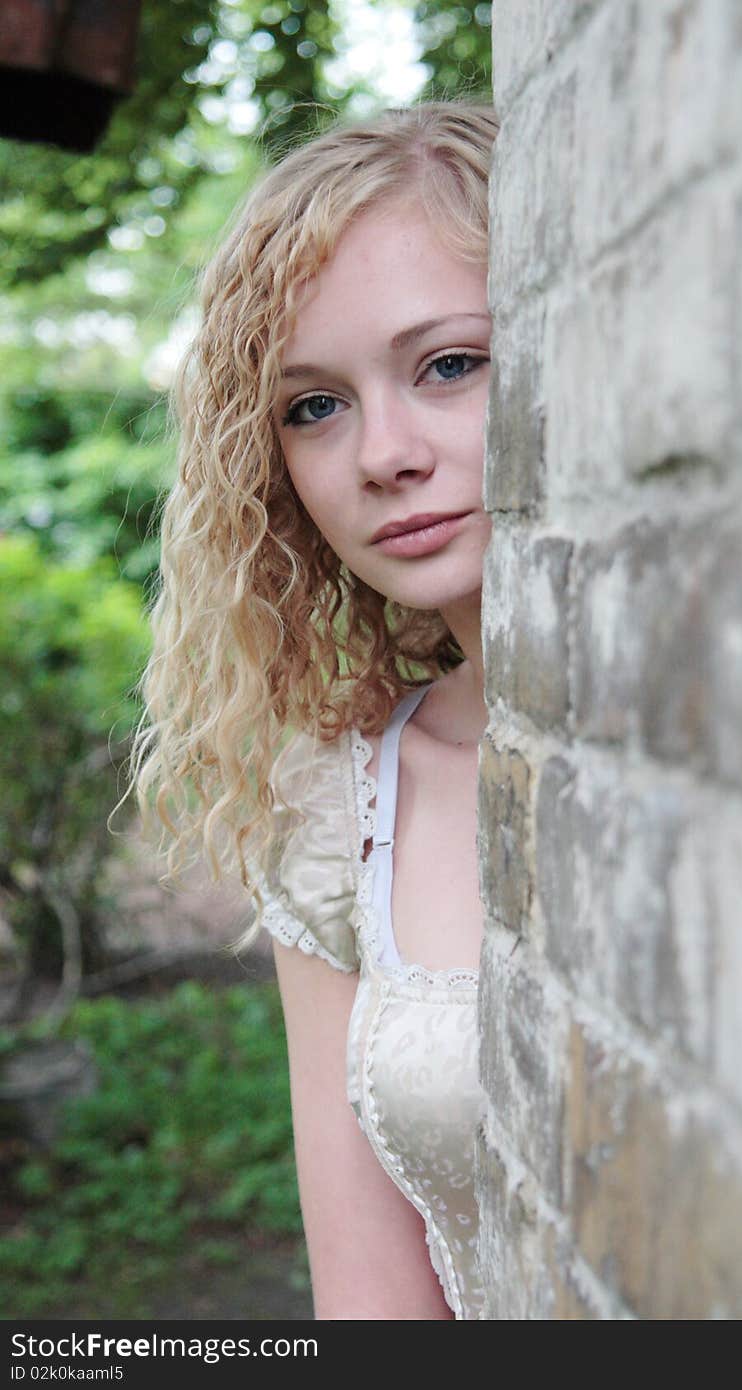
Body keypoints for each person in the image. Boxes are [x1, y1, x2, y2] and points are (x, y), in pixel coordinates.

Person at [126, 98, 498, 1320]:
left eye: (450, 364)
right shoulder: (338, 811)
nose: (382, 452)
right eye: (313, 405)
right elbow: (374, 1308)